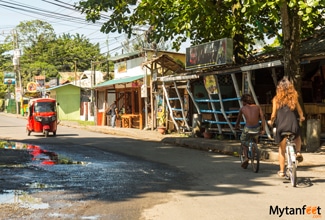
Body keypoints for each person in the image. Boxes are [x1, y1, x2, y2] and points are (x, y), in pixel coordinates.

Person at [268, 77, 305, 177]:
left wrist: (271, 121)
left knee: (282, 149)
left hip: (281, 127)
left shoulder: (276, 99)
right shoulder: (294, 98)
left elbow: (273, 114)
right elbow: (300, 112)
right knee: (297, 137)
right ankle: (297, 152)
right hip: (293, 125)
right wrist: (301, 117)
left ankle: (281, 171)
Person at [235, 93, 266, 169]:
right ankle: (253, 150)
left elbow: (238, 120)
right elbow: (262, 118)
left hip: (248, 128)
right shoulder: (257, 107)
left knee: (243, 140)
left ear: (244, 102)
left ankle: (246, 158)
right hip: (256, 128)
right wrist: (263, 129)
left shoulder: (242, 108)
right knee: (255, 140)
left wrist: (236, 127)